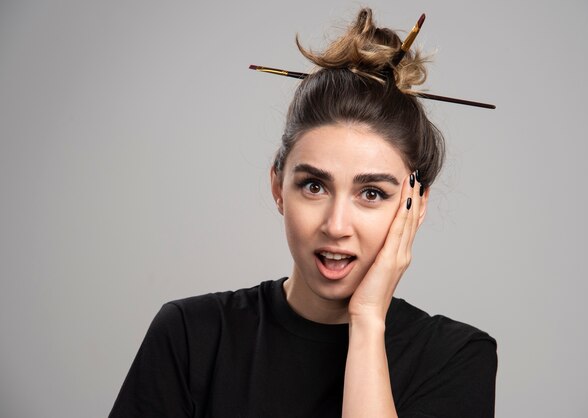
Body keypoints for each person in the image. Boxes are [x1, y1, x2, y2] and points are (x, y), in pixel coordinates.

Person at [109, 8, 497, 418]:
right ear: (278, 187)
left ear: (415, 206)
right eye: (314, 186)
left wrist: (366, 320)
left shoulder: (456, 357)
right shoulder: (191, 334)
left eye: (371, 193)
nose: (336, 226)